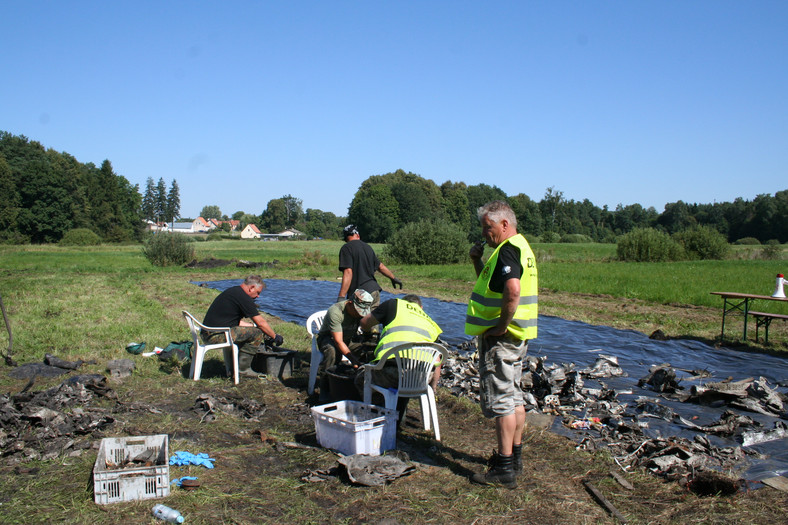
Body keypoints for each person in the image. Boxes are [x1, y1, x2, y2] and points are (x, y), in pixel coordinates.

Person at [465, 200, 538, 489]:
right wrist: (476, 261)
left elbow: (513, 290)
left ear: (504, 224)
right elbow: (494, 286)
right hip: (518, 336)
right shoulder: (520, 248)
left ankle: (504, 468)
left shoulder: (507, 249)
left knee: (503, 401)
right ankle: (514, 458)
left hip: (504, 338)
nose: (485, 233)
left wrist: (501, 325)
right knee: (515, 396)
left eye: (488, 227)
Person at [355, 294, 443, 421]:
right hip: (420, 378)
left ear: (404, 302)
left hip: (395, 373)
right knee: (405, 376)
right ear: (421, 307)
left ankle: (378, 416)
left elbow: (364, 323)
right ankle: (398, 414)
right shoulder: (431, 323)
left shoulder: (393, 304)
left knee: (361, 378)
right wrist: (432, 388)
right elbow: (438, 360)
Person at [201, 275, 283, 378]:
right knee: (256, 334)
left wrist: (254, 327)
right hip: (215, 336)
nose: (258, 296)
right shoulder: (243, 297)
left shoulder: (234, 292)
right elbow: (261, 323)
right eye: (258, 293)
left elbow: (234, 321)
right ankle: (243, 370)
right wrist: (275, 336)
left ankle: (235, 366)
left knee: (254, 330)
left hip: (208, 333)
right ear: (251, 287)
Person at [316, 289, 374, 400]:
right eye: (358, 311)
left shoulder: (359, 313)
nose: (359, 314)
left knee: (369, 349)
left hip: (348, 339)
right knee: (332, 352)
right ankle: (325, 387)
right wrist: (353, 360)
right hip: (329, 338)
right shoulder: (336, 311)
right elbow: (338, 341)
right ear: (350, 303)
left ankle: (364, 384)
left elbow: (367, 330)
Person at [337, 224, 402, 307]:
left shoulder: (346, 248)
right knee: (371, 319)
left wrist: (341, 297)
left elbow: (348, 272)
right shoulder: (368, 247)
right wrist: (393, 278)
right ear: (357, 235)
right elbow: (381, 266)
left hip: (360, 295)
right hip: (374, 291)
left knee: (356, 319)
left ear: (346, 238)